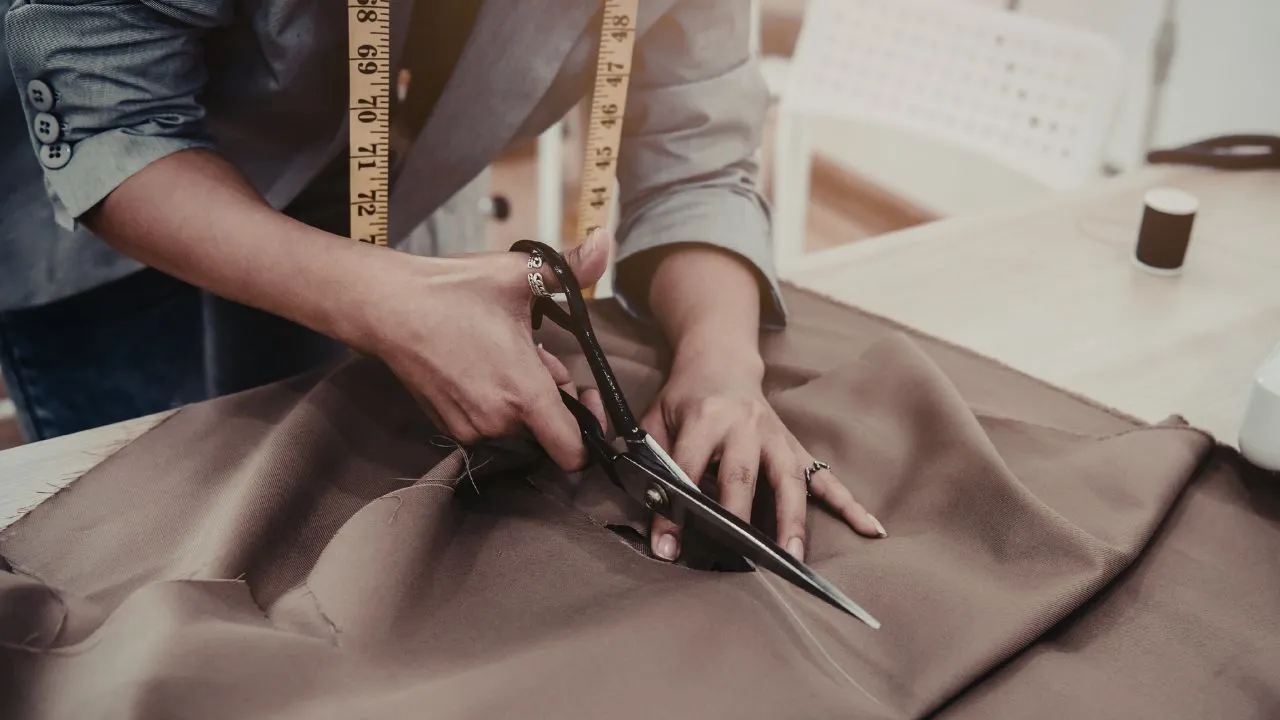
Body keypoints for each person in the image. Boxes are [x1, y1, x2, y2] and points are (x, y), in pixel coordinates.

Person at [0, 1, 886, 563]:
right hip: (105, 230)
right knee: (139, 546)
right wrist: (381, 300)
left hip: (395, 170)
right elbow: (118, 121)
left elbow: (698, 163)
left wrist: (723, 364)